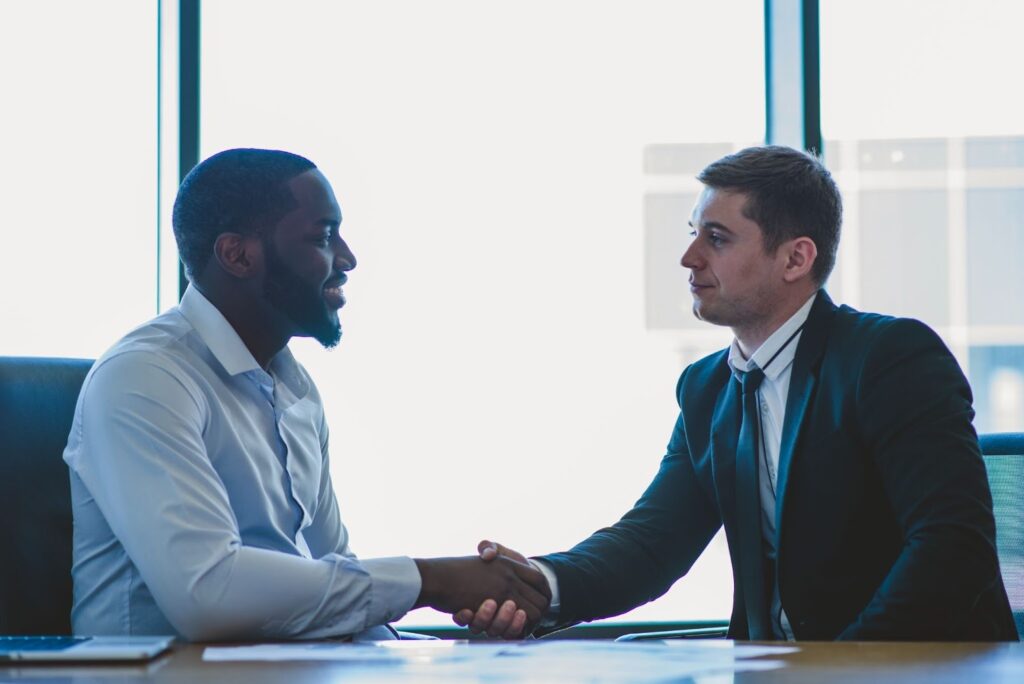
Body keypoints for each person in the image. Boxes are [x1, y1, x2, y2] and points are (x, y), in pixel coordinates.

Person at [457, 145, 1017, 641]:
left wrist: (840, 669)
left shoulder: (889, 358)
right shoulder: (708, 388)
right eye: (694, 234)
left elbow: (950, 546)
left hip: (920, 667)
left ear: (796, 258)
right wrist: (541, 584)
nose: (689, 258)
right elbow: (651, 546)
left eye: (717, 238)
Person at [63, 148, 549, 641]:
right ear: (237, 255)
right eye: (322, 236)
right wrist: (432, 580)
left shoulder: (295, 389)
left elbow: (337, 594)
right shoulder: (146, 377)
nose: (347, 259)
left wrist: (461, 651)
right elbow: (207, 594)